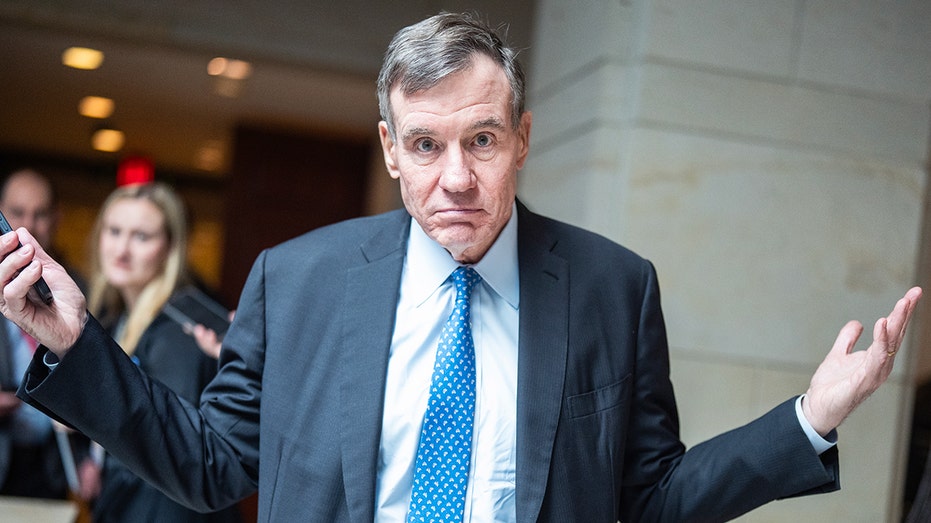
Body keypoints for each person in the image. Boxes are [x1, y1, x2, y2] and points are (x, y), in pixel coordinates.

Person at [0, 12, 922, 522]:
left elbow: (652, 498)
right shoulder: (299, 279)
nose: (455, 179)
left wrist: (808, 418)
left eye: (481, 140)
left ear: (521, 137)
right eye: (425, 144)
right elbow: (210, 463)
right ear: (390, 148)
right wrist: (79, 344)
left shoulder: (611, 287)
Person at [74, 182, 241, 522]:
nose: (121, 249)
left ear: (170, 248)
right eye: (114, 231)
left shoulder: (178, 332)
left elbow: (168, 441)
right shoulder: (118, 317)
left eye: (141, 237)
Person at [0, 168, 71, 499]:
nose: (28, 226)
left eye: (40, 214)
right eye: (17, 212)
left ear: (56, 218)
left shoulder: (79, 291)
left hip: (54, 465)